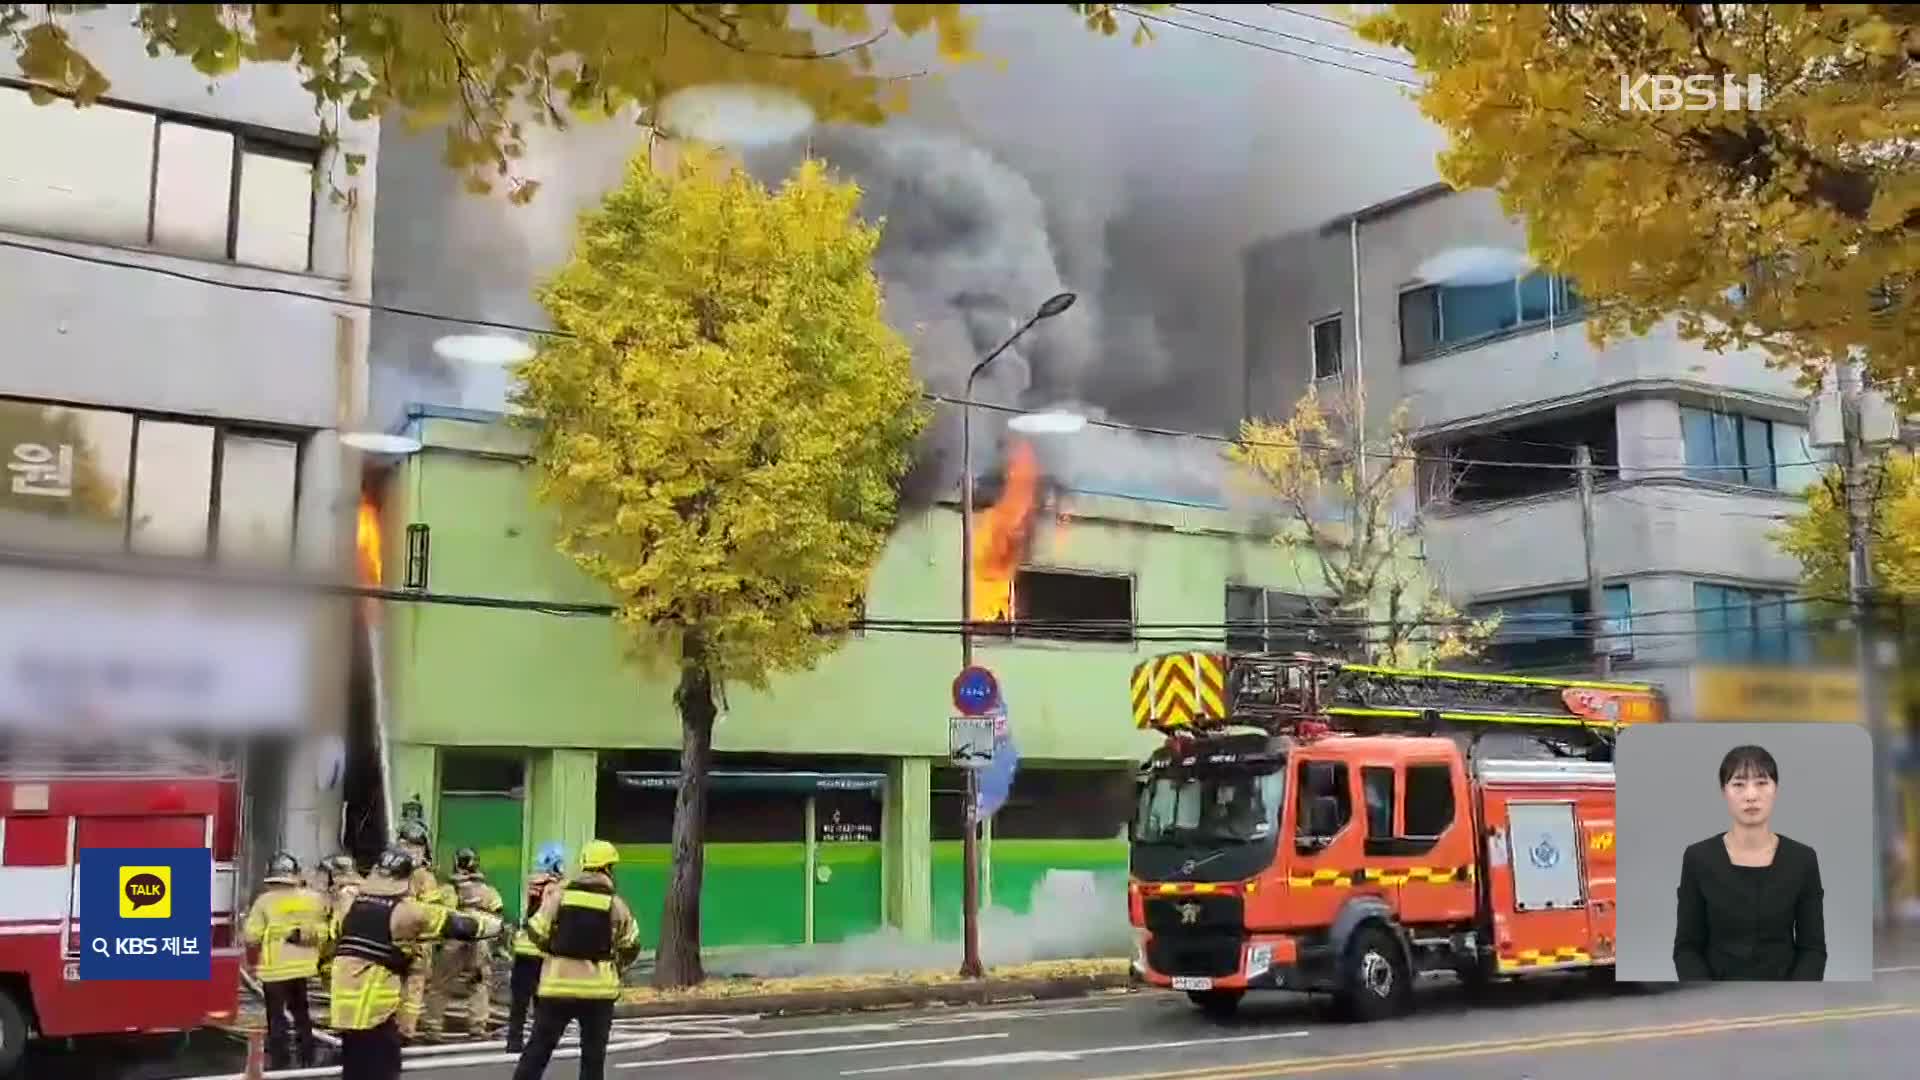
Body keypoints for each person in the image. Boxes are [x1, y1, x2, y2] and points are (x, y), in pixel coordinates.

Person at [329, 846, 502, 1079]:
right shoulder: (405, 910)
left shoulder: (353, 904)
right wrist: (496, 927)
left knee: (353, 1071)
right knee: (384, 1070)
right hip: (373, 1012)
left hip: (343, 1009)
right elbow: (457, 925)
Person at [1673, 744, 1827, 981]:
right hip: (1716, 1003)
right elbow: (1687, 949)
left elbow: (1813, 949)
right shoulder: (1698, 858)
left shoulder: (1803, 859)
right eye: (1738, 784)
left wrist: (1797, 1001)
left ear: (1776, 789)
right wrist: (1705, 1002)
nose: (1751, 795)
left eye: (1761, 783)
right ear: (1723, 791)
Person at [511, 840, 640, 1080]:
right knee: (593, 1059)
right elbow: (631, 944)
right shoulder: (616, 904)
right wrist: (616, 966)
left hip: (557, 987)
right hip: (599, 993)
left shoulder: (560, 896)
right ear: (608, 868)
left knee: (537, 1052)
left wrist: (555, 951)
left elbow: (536, 931)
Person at [242, 851, 331, 1070]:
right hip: (303, 968)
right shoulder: (313, 899)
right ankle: (307, 1053)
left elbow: (251, 936)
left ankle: (279, 1059)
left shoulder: (264, 901)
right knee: (301, 1012)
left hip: (275, 970)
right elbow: (325, 931)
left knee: (277, 1017)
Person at [422, 847, 505, 1040]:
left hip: (453, 940)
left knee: (440, 984)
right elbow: (498, 915)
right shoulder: (487, 891)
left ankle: (432, 1027)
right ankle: (477, 1026)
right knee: (479, 982)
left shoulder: (446, 889)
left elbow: (435, 914)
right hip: (479, 940)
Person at [506, 843, 566, 1054]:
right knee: (543, 1001)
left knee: (519, 1002)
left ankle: (514, 1041)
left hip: (523, 947)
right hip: (541, 950)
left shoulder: (533, 884)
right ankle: (540, 1042)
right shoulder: (555, 888)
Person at [395, 818, 452, 1040]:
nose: (410, 851)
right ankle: (405, 1030)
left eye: (413, 847)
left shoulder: (389, 872)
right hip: (415, 942)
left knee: (400, 986)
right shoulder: (423, 877)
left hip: (400, 940)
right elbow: (432, 914)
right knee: (413, 988)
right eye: (407, 846)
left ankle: (397, 1028)